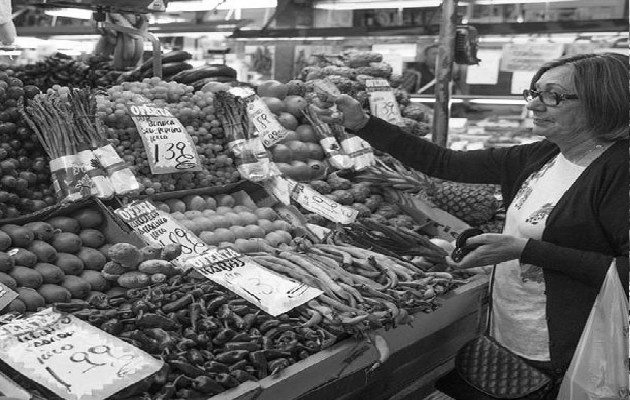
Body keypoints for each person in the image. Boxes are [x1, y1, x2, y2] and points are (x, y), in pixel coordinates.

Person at [315, 52, 629, 398]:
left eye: (553, 96)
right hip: (515, 331)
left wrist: (525, 250)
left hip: (581, 345)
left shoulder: (618, 171)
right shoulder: (543, 156)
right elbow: (443, 162)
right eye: (534, 93)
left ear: (603, 103)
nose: (535, 105)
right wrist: (362, 124)